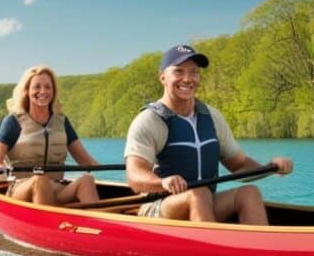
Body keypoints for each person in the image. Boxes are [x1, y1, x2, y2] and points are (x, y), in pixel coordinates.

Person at [124, 45, 293, 225]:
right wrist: (163, 182)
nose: (187, 79)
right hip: (157, 208)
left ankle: (261, 250)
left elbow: (240, 165)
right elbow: (134, 176)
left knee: (249, 192)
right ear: (162, 77)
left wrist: (270, 168)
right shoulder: (149, 120)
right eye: (179, 71)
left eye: (194, 72)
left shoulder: (211, 117)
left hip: (204, 203)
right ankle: (209, 248)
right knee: (199, 193)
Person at [0, 65, 100, 206]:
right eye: (37, 87)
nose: (43, 91)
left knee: (87, 180)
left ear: (53, 91)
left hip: (56, 188)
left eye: (48, 87)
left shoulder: (62, 122)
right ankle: (46, 223)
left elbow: (85, 161)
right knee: (40, 179)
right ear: (27, 91)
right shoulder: (13, 122)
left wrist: (124, 167)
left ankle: (104, 224)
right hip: (21, 190)